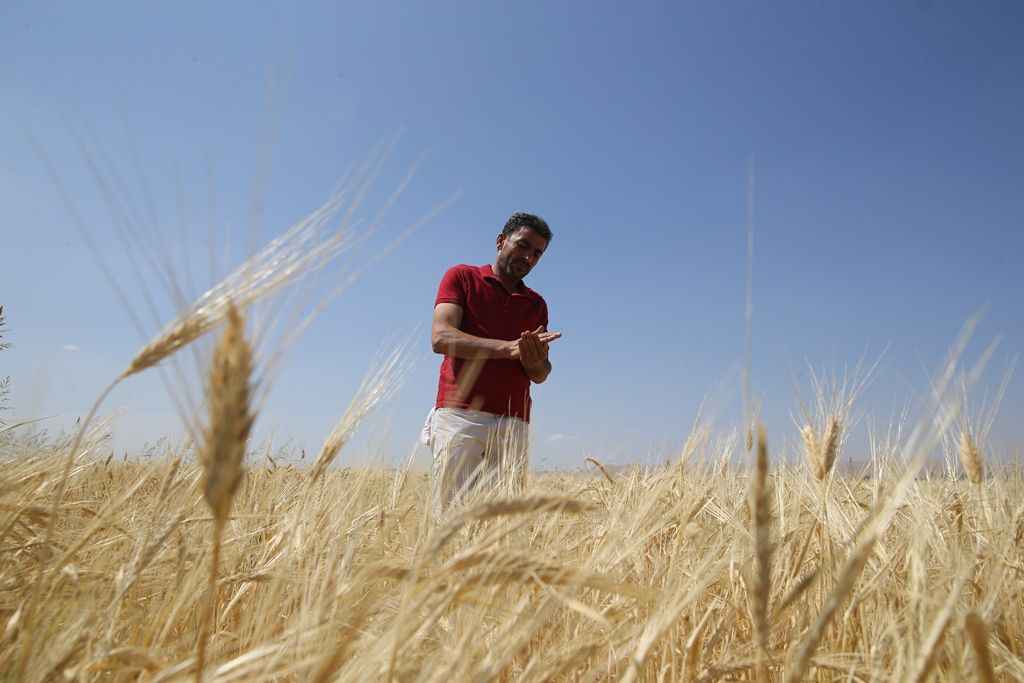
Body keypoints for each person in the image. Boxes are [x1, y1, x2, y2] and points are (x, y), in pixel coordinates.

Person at [423, 212, 561, 513]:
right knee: (448, 518)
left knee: (502, 526)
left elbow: (539, 375)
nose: (529, 257)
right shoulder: (461, 277)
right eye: (523, 245)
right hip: (460, 415)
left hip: (514, 422)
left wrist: (534, 359)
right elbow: (441, 337)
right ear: (501, 241)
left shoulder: (537, 304)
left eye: (537, 253)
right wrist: (508, 348)